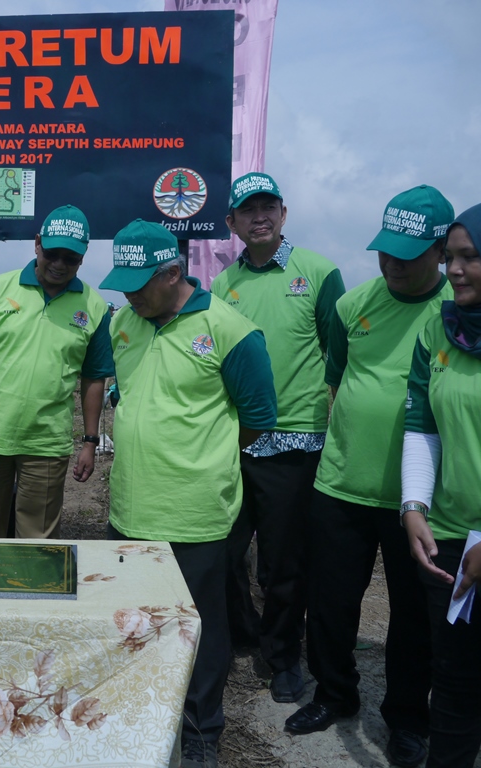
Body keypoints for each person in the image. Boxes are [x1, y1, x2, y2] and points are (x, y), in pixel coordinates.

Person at [284, 185, 453, 768]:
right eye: (385, 251)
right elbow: (337, 374)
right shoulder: (353, 304)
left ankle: (407, 717)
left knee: (413, 616)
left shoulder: (458, 312)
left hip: (423, 498)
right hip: (342, 483)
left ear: (441, 251)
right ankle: (334, 693)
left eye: (408, 253)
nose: (393, 264)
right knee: (330, 604)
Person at [100, 219, 277, 767]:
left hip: (195, 515)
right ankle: (137, 712)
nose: (128, 293)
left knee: (199, 628)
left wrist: (203, 458)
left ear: (173, 273)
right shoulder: (125, 325)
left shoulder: (232, 331)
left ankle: (201, 729)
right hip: (129, 510)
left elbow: (258, 420)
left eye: (138, 282)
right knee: (130, 621)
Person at [211, 172, 345, 702]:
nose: (259, 216)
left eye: (268, 207)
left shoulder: (317, 272)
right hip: (234, 437)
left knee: (282, 560)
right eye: (248, 210)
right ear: (232, 223)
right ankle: (247, 631)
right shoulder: (224, 285)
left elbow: (337, 354)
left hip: (293, 441)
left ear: (284, 214)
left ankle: (284, 654)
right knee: (223, 549)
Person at [402, 200, 481, 768]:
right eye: (450, 256)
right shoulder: (440, 326)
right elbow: (422, 421)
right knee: (456, 686)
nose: (454, 269)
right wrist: (414, 505)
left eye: (471, 257)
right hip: (455, 543)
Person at [0, 204, 113, 539]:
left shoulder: (94, 307)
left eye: (70, 258)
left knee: (37, 539)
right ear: (37, 244)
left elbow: (94, 378)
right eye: (52, 253)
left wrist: (89, 441)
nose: (59, 264)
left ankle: (31, 593)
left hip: (46, 444)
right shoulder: (0, 288)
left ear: (82, 258)